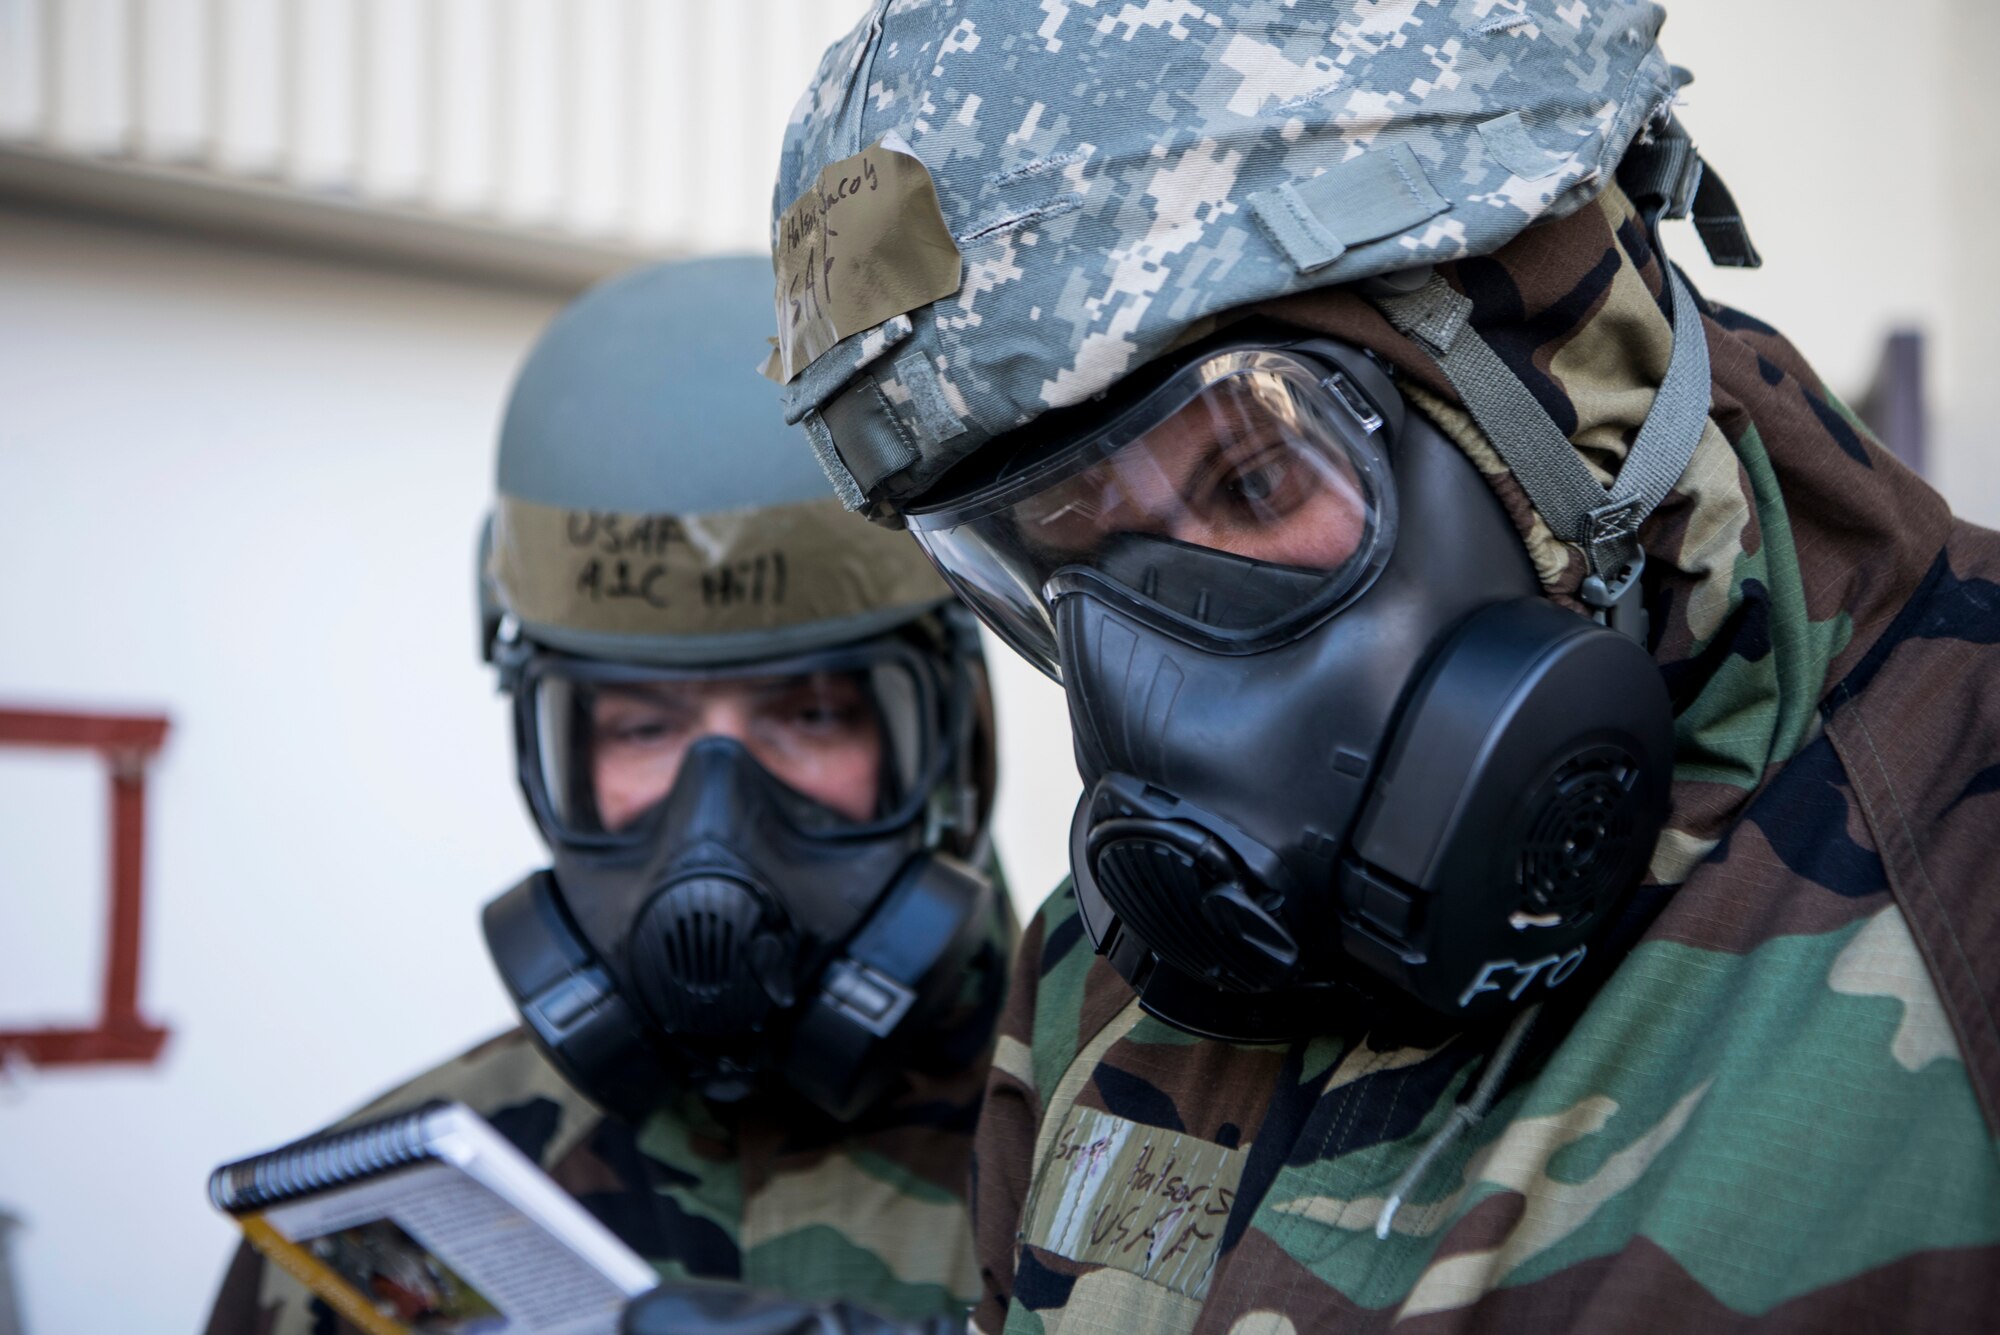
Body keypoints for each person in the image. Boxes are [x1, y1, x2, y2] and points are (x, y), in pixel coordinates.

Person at [630, 3, 2000, 1331]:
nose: (1152, 678)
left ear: (1555, 380)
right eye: (1058, 562)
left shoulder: (1962, 833)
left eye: (1250, 475)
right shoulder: (1096, 987)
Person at [203, 256, 1015, 1335]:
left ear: (951, 733)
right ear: (555, 758)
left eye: (811, 714)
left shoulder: (1137, 1155)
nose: (713, 816)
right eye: (642, 727)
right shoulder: (380, 1225)